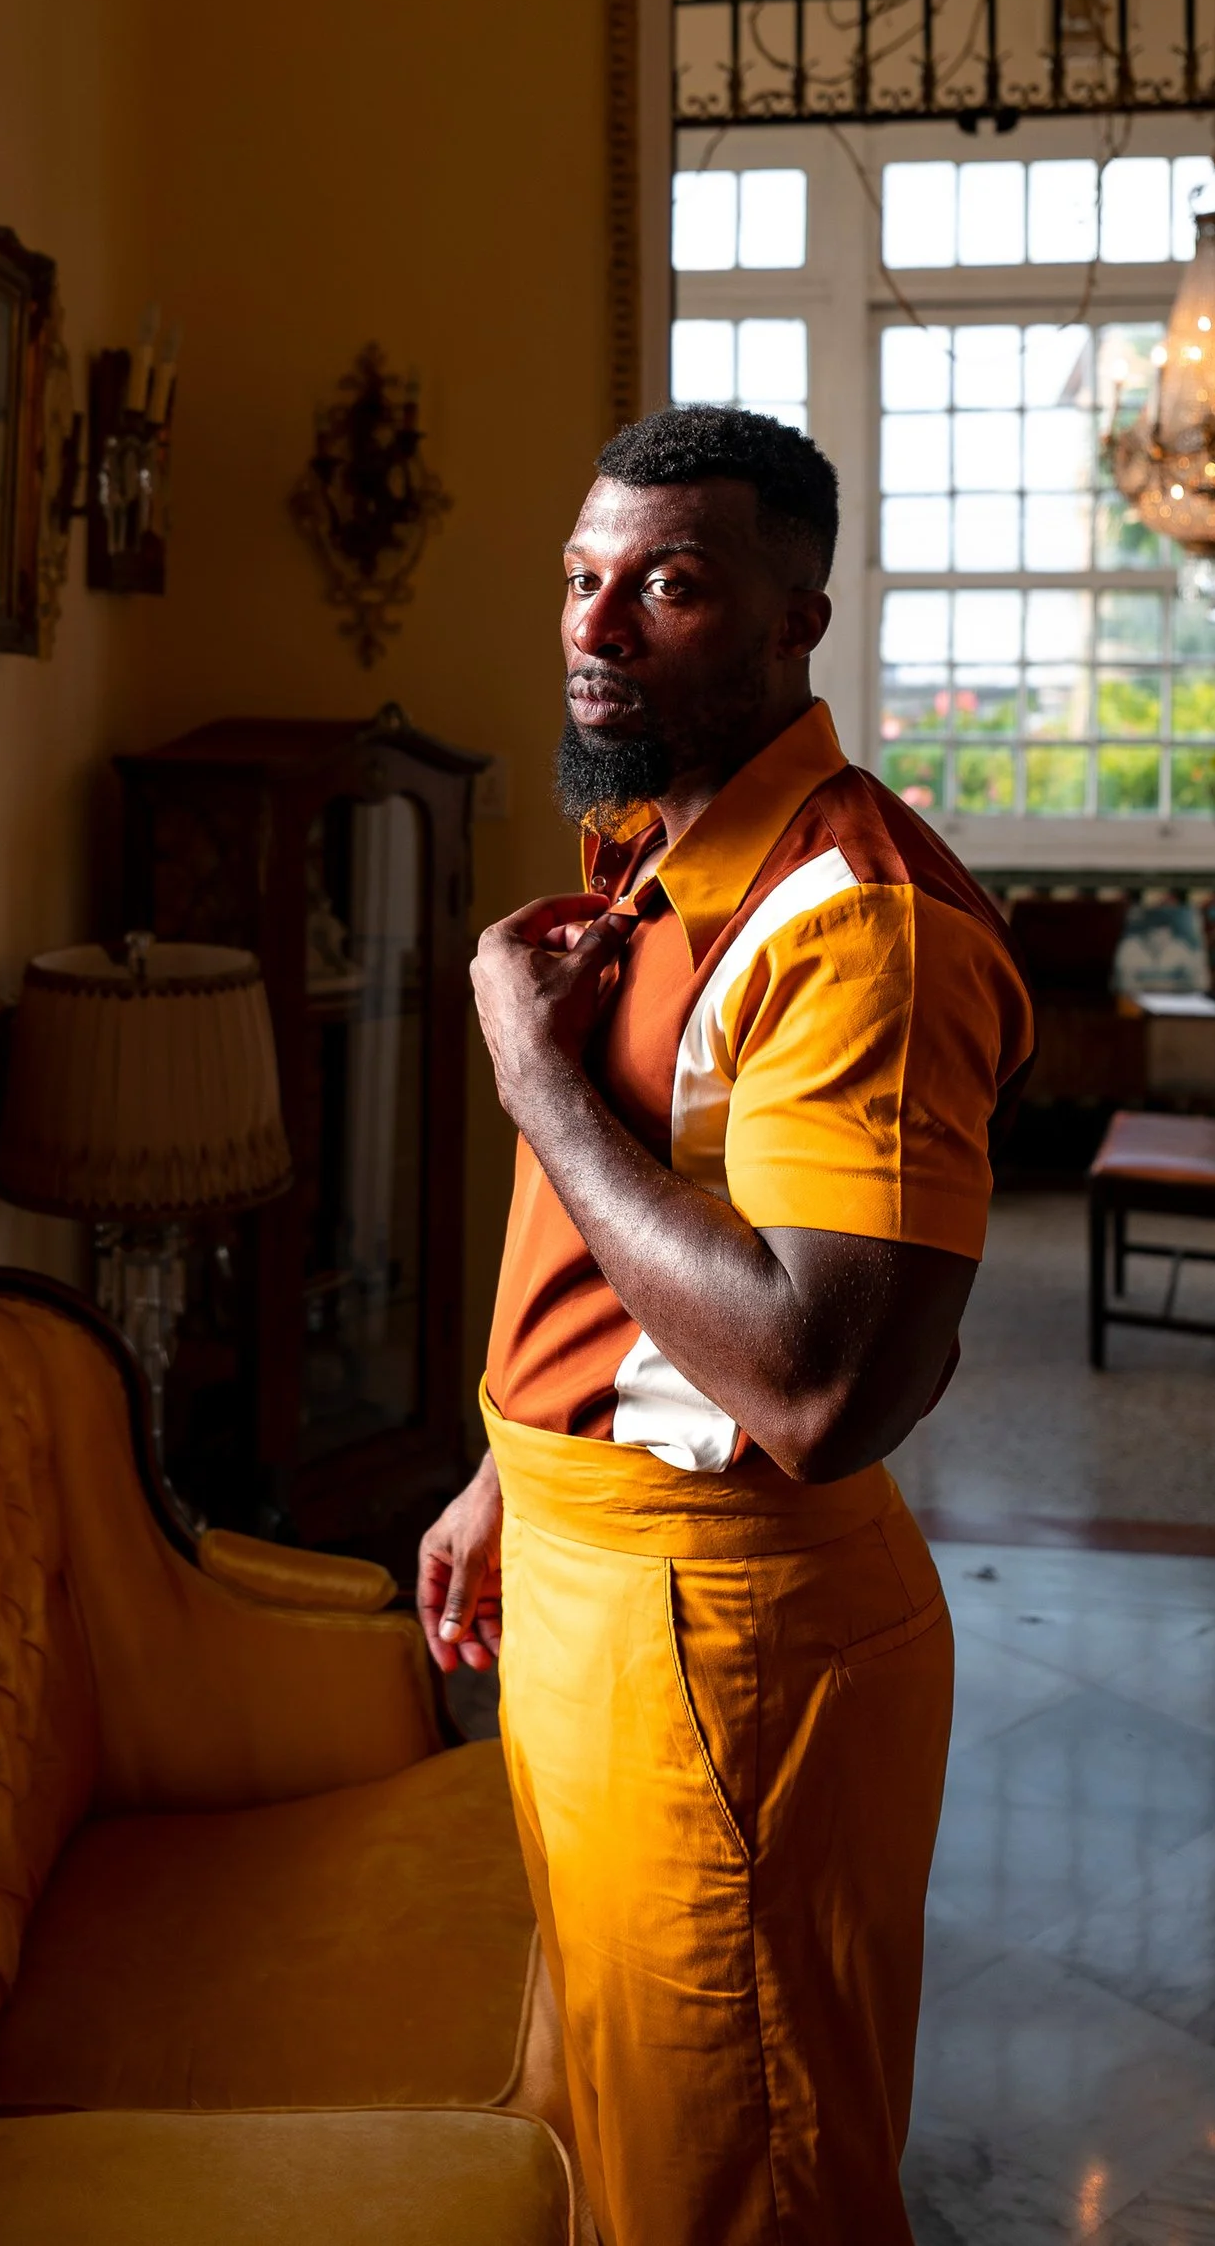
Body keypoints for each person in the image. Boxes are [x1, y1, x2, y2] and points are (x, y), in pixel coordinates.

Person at [419, 403, 1031, 2246]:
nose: (599, 624)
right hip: (593, 1586)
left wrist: (536, 1080)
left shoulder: (861, 928)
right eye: (583, 580)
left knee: (744, 2184)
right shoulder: (664, 855)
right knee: (614, 2133)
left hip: (731, 1636)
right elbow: (643, 1265)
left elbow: (823, 1382)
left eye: (669, 586)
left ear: (795, 625)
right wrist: (514, 1467)